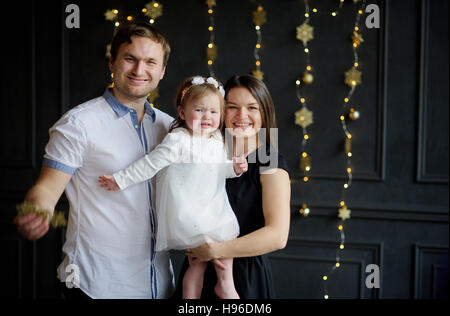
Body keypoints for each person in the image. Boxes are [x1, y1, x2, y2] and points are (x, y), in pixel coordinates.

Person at [13, 22, 176, 299]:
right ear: (112, 62)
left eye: (150, 62)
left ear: (161, 71)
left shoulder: (170, 128)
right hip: (96, 285)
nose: (139, 70)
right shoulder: (79, 124)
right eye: (130, 59)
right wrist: (36, 210)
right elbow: (46, 190)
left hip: (161, 284)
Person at [98, 75, 248, 299]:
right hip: (189, 212)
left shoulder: (216, 139)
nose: (207, 117)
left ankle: (222, 285)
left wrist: (234, 168)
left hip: (213, 206)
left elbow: (218, 170)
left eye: (214, 112)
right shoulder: (178, 140)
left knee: (214, 247)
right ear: (182, 112)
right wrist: (120, 179)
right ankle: (222, 288)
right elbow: (149, 164)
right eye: (199, 110)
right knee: (203, 255)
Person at [176, 74, 291, 299]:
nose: (242, 116)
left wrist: (216, 250)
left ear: (264, 113)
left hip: (242, 281)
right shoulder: (208, 148)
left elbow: (278, 236)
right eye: (232, 107)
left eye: (252, 108)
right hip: (197, 272)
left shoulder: (269, 157)